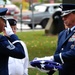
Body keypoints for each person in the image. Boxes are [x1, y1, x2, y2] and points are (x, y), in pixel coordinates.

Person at [31, 3, 75, 75]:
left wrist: (52, 58)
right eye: (63, 16)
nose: (63, 18)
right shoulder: (62, 34)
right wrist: (48, 66)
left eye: (66, 15)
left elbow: (73, 53)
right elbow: (59, 52)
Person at [0, 8, 25, 75]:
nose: (5, 25)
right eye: (4, 21)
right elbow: (21, 53)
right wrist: (12, 35)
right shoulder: (1, 41)